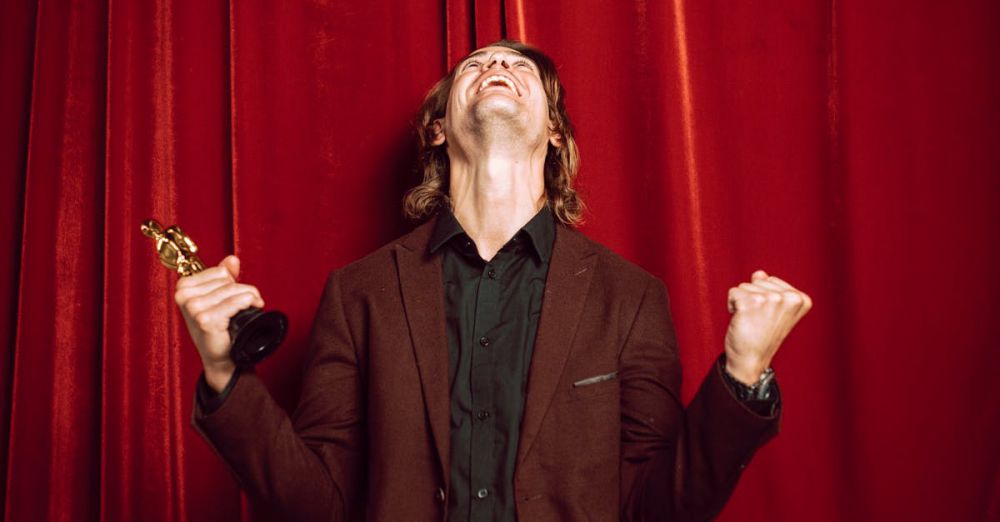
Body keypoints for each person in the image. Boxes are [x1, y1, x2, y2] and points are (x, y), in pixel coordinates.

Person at [176, 40, 812, 521]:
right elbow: (318, 502)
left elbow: (656, 506)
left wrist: (744, 370)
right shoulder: (359, 292)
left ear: (555, 133)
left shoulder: (630, 296)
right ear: (438, 128)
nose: (497, 69)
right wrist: (224, 372)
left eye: (522, 69)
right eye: (474, 67)